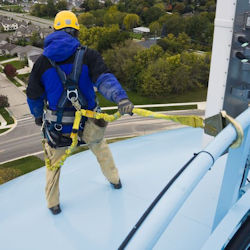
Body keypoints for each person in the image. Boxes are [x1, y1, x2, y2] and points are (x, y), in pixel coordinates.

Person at [26, 10, 134, 215]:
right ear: (75, 32)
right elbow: (104, 79)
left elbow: (33, 96)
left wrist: (38, 115)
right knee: (101, 150)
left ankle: (53, 204)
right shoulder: (88, 55)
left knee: (53, 165)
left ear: (55, 31)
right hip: (89, 123)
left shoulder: (42, 63)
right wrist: (120, 97)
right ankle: (115, 180)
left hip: (60, 129)